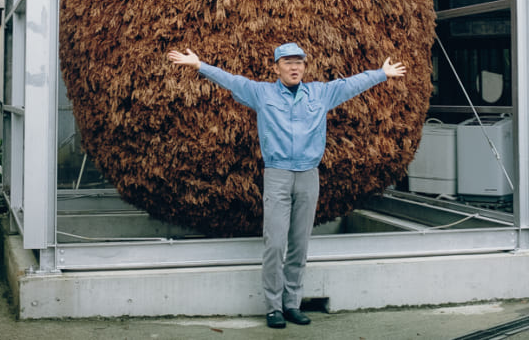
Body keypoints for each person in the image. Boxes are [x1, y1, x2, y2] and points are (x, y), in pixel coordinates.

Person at [168, 42, 406, 329]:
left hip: (308, 176)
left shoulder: (320, 92)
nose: (294, 67)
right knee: (275, 243)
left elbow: (350, 85)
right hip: (278, 175)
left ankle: (292, 304)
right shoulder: (261, 93)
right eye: (288, 62)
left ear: (305, 66)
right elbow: (232, 80)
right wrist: (199, 65)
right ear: (276, 67)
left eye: (299, 62)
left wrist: (381, 73)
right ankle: (273, 307)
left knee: (299, 244)